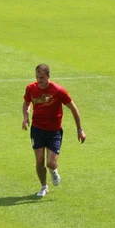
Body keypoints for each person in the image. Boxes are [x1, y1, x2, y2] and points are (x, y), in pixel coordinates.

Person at [22, 64, 85, 197]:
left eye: (42, 77)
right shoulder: (31, 88)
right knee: (39, 161)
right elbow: (27, 103)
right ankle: (44, 186)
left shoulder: (58, 91)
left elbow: (74, 109)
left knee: (50, 163)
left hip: (54, 132)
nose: (39, 80)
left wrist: (79, 130)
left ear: (48, 77)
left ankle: (53, 170)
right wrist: (26, 116)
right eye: (37, 77)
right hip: (37, 129)